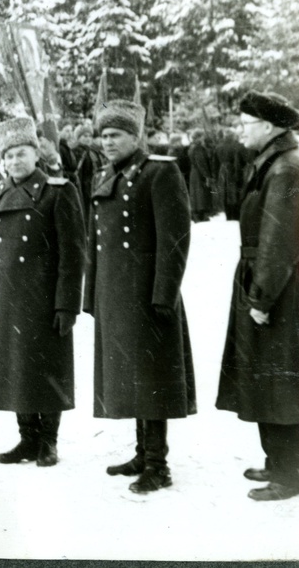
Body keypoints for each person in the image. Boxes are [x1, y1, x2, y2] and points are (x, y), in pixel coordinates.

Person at [216, 92, 299, 501]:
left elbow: (279, 240)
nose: (240, 130)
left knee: (290, 382)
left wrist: (261, 299)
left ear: (268, 128)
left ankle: (298, 474)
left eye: (246, 123)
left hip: (287, 287)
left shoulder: (286, 168)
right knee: (272, 379)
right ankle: (280, 462)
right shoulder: (277, 163)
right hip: (280, 282)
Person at [84, 100, 196, 494]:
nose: (107, 142)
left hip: (148, 295)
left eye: (115, 135)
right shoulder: (104, 175)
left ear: (135, 136)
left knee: (150, 378)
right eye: (103, 136)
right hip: (115, 295)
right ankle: (141, 452)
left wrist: (165, 293)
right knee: (131, 376)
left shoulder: (160, 172)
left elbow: (175, 239)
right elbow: (94, 241)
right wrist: (91, 296)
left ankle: (157, 464)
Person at [0, 117, 85, 467]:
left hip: (44, 296)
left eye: (21, 154)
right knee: (16, 368)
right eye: (9, 156)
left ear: (36, 154)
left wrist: (67, 304)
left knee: (46, 368)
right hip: (4, 296)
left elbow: (72, 254)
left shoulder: (58, 191)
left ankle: (48, 441)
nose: (15, 162)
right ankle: (27, 438)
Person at [215, 126, 249, 221]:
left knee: (225, 193)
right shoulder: (238, 146)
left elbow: (215, 162)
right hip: (234, 169)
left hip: (222, 170)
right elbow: (244, 159)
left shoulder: (219, 146)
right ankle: (236, 215)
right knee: (235, 192)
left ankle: (228, 215)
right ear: (233, 135)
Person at [187, 129, 215, 222]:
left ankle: (196, 215)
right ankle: (201, 215)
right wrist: (207, 176)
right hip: (199, 173)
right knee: (201, 194)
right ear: (199, 137)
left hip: (193, 172)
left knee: (195, 193)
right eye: (202, 136)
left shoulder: (191, 147)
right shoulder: (198, 148)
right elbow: (201, 163)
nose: (204, 138)